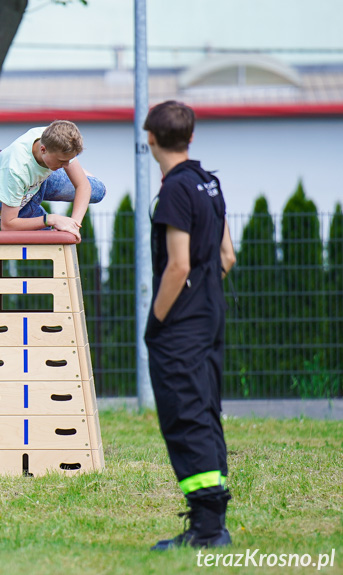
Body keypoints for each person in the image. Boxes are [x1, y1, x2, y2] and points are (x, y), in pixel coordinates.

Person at [142, 100, 237, 550]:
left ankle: (206, 529)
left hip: (181, 322)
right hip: (211, 313)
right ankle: (213, 518)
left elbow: (177, 267)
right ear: (191, 137)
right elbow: (226, 257)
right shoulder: (209, 183)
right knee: (205, 409)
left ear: (151, 139)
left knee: (185, 415)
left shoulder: (176, 189)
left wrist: (157, 321)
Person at [0, 120, 106, 240]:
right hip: (9, 209)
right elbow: (8, 225)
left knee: (98, 191)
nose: (66, 166)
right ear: (43, 149)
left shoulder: (55, 138)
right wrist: (51, 219)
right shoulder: (16, 169)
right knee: (55, 239)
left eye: (69, 160)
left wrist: (74, 225)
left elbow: (83, 186)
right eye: (62, 161)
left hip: (37, 182)